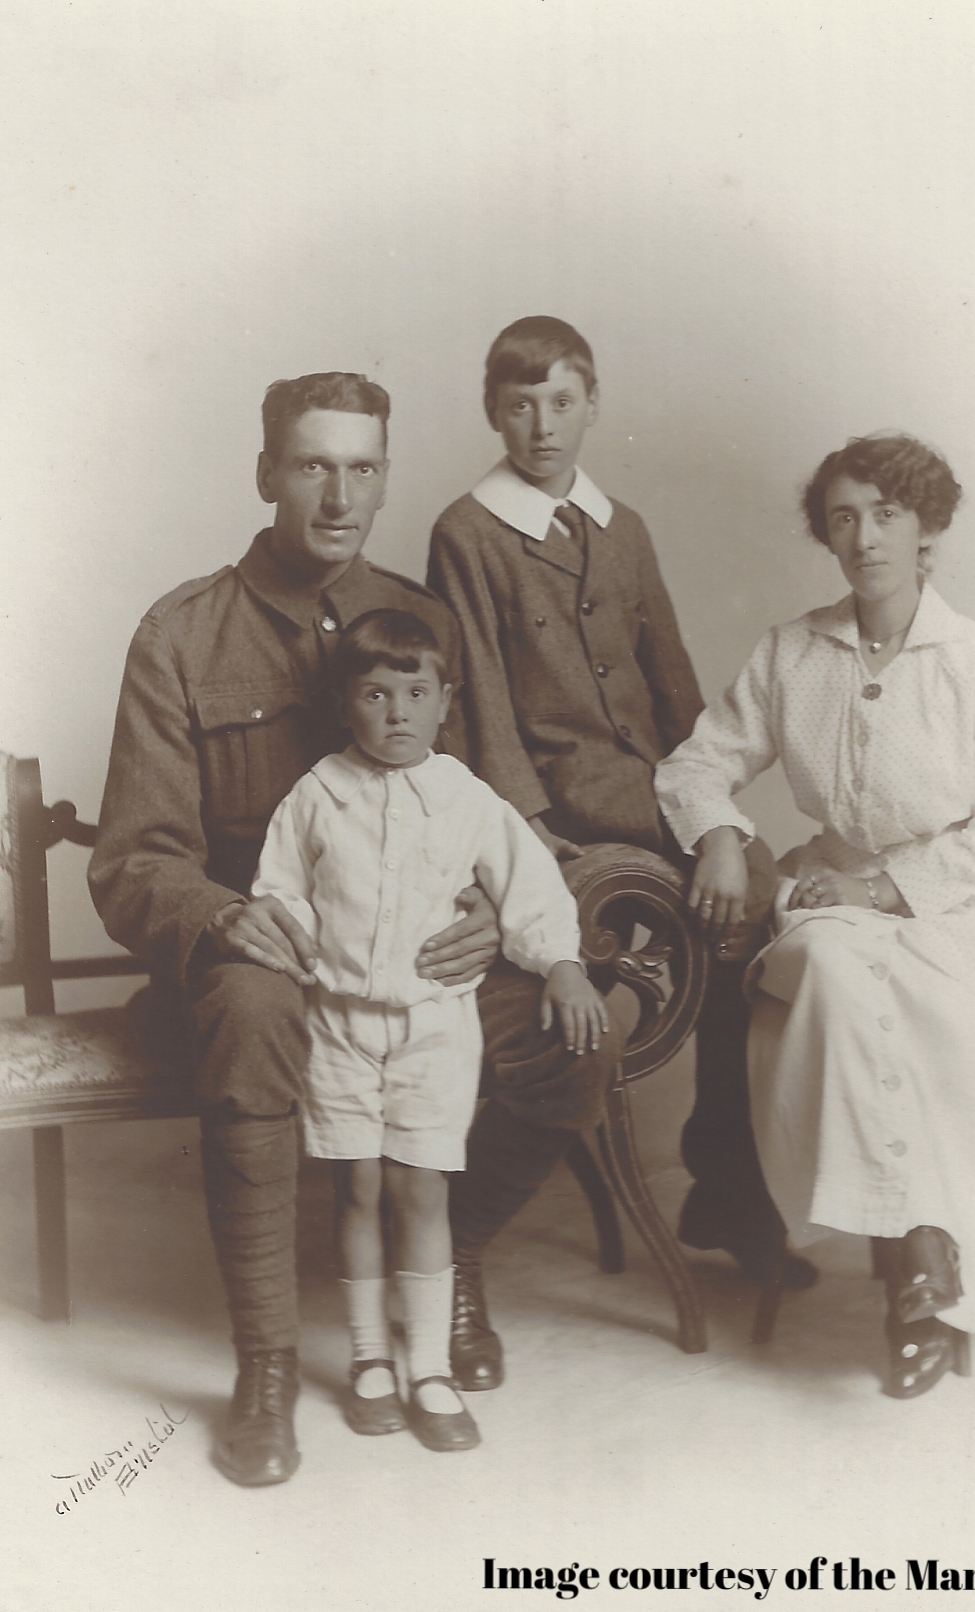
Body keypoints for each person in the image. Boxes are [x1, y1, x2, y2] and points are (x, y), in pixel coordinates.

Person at [88, 372, 627, 1487]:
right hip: (270, 955)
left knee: (581, 1045)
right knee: (249, 1011)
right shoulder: (182, 632)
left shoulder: (419, 619)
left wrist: (487, 911)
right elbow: (133, 860)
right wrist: (226, 917)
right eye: (313, 465)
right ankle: (269, 1367)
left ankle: (452, 1254)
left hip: (424, 955)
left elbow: (477, 798)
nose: (340, 494)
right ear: (266, 474)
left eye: (364, 467)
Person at [656, 433, 975, 1398]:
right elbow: (696, 764)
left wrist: (884, 892)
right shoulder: (792, 651)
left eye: (886, 515)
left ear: (927, 530)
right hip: (832, 903)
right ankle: (915, 1250)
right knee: (831, 971)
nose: (865, 538)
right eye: (844, 518)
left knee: (933, 1015)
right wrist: (720, 833)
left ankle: (919, 1260)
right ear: (828, 535)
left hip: (962, 906)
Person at [427, 316, 813, 1340]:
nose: (539, 425)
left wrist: (714, 814)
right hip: (557, 802)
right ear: (491, 411)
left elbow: (676, 687)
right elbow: (478, 705)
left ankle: (725, 1178)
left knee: (758, 901)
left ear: (591, 402)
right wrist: (531, 831)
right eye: (517, 404)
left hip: (653, 790)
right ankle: (712, 1180)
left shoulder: (622, 524)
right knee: (722, 913)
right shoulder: (466, 532)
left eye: (559, 401)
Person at [252, 609, 607, 1451]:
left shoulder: (467, 798)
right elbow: (280, 890)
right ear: (347, 704)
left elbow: (528, 890)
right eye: (376, 694)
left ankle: (430, 1368)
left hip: (433, 1027)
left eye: (416, 693)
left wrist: (559, 961)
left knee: (421, 1189)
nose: (397, 713)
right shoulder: (317, 795)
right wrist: (291, 938)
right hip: (339, 1024)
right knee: (359, 1188)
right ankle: (371, 1360)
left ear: (446, 700)